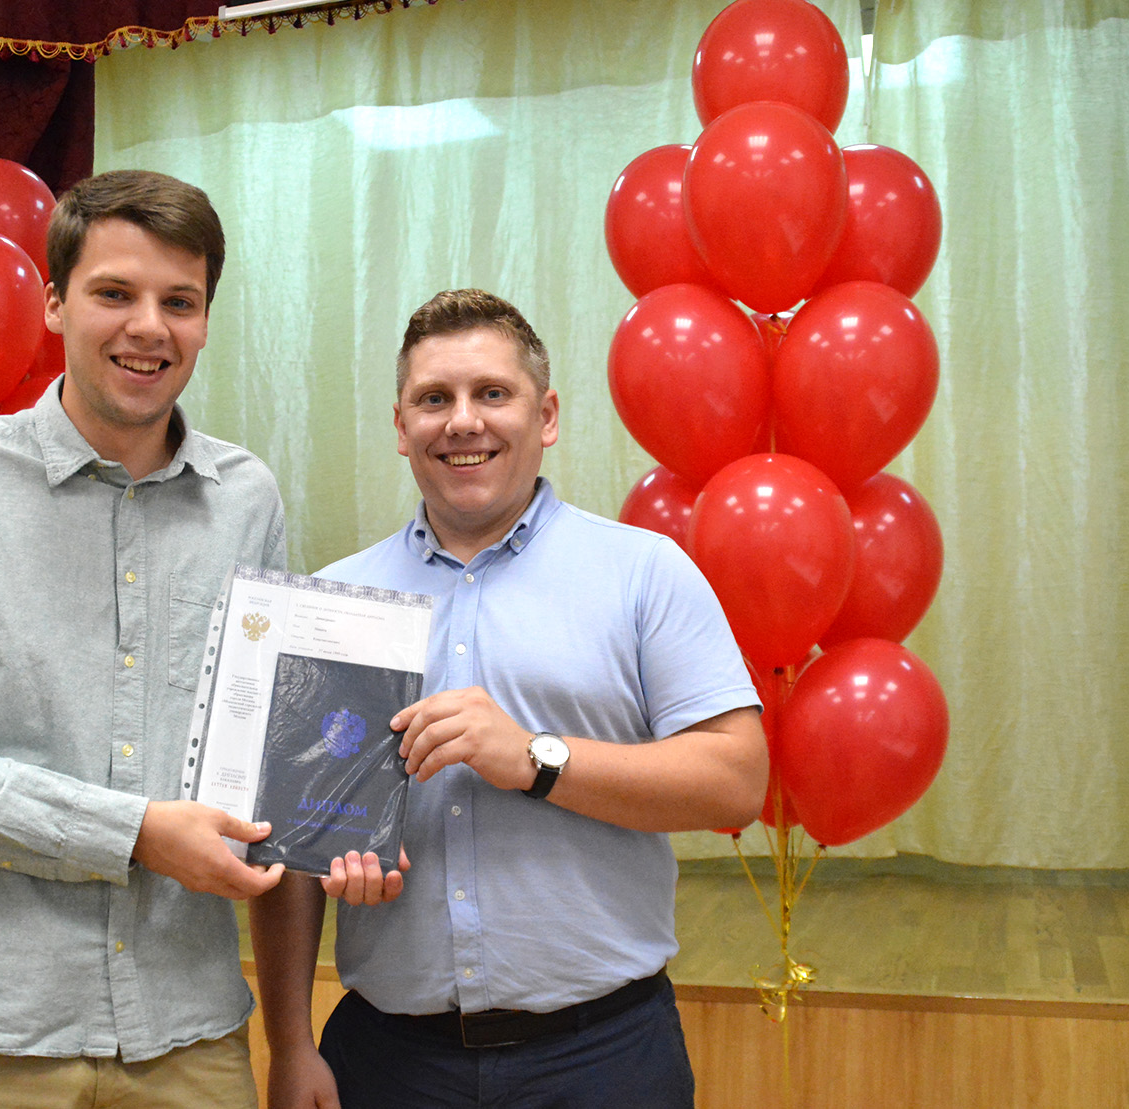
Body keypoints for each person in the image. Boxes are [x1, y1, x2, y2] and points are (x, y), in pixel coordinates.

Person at [0, 170, 289, 1107]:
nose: (148, 327)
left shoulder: (248, 499)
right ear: (54, 303)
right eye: (114, 293)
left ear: (206, 320)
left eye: (179, 302)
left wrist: (351, 825)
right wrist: (133, 833)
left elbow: (264, 750)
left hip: (190, 1037)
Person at [251, 289, 770, 1109]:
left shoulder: (645, 573)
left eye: (492, 393)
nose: (463, 421)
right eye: (434, 399)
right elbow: (288, 855)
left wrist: (535, 758)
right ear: (401, 425)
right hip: (389, 1064)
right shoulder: (336, 602)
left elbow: (737, 779)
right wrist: (289, 1044)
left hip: (604, 1060)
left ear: (546, 414)